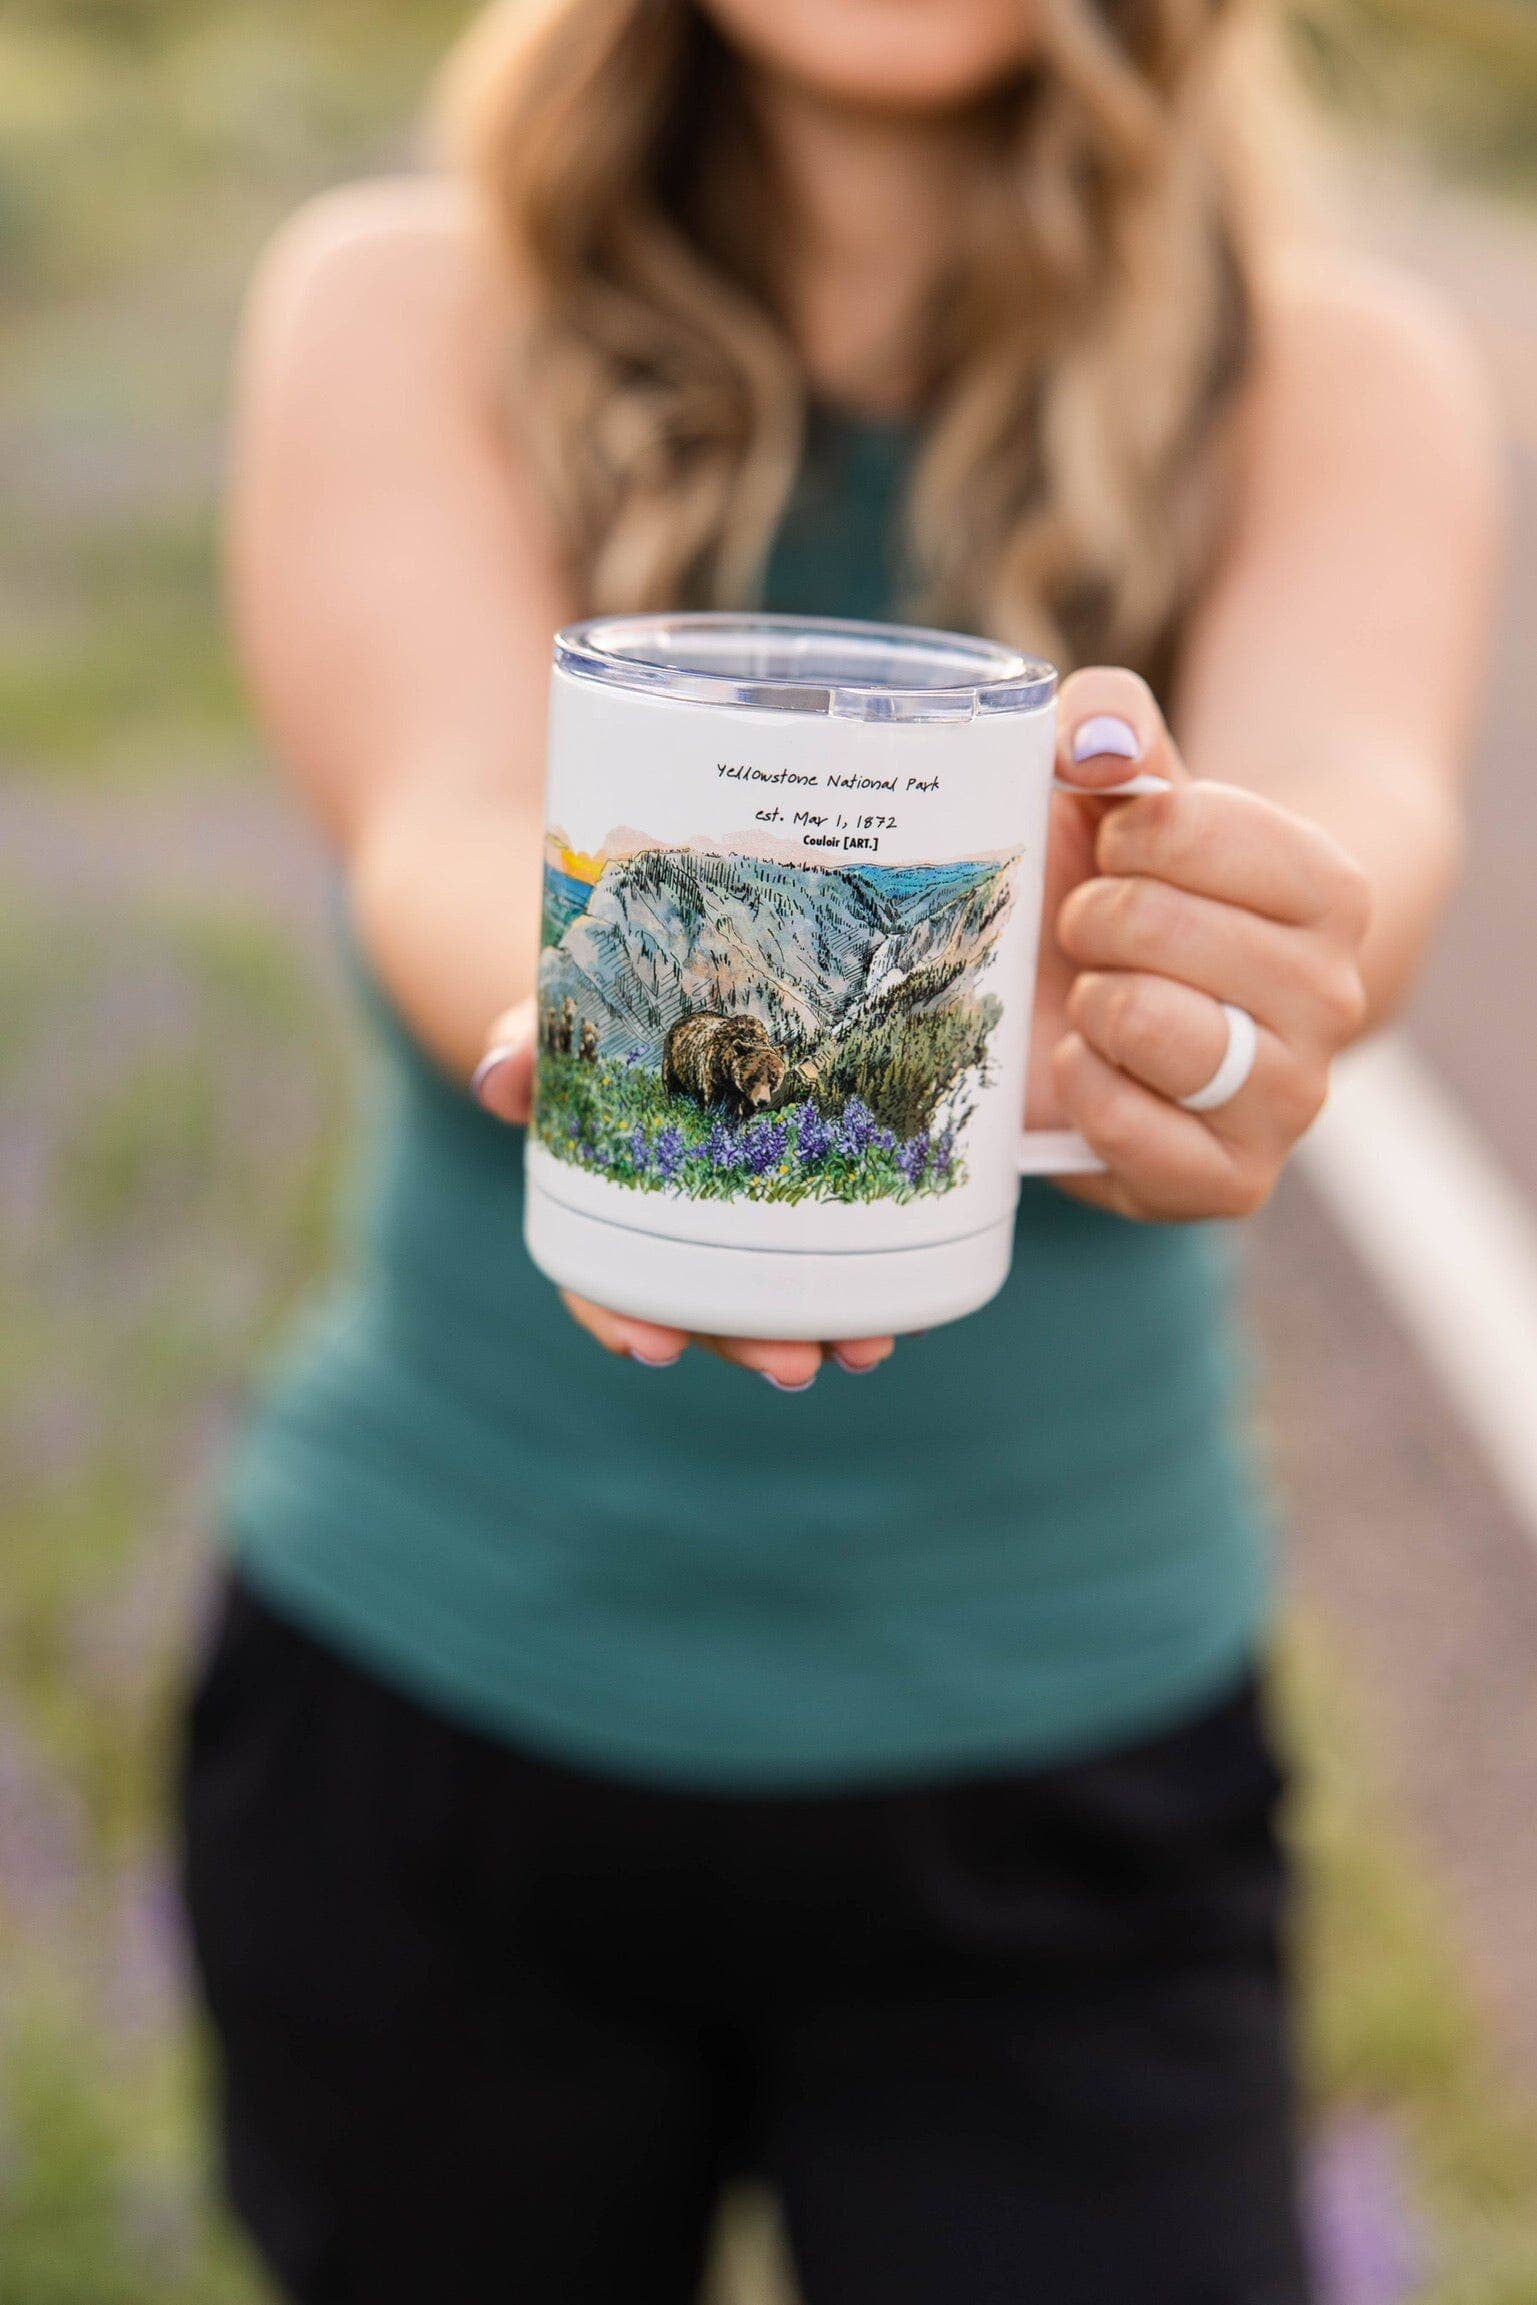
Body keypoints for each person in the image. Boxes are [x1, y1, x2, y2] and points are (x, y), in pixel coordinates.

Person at [179, 1, 1499, 2299]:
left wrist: (1226, 973)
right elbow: (453, 812)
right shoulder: (399, 305)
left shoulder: (1333, 379)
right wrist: (682, 1079)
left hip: (1072, 1764)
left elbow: (1349, 816)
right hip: (437, 1713)